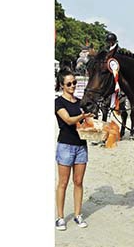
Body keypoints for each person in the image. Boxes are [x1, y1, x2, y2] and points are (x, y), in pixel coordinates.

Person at [54, 69, 95, 231]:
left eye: (74, 83)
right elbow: (69, 120)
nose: (72, 86)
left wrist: (92, 123)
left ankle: (78, 215)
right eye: (69, 84)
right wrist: (82, 116)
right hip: (65, 146)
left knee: (78, 182)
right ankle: (60, 217)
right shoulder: (58, 102)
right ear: (62, 85)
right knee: (63, 183)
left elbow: (84, 124)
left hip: (81, 146)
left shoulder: (80, 102)